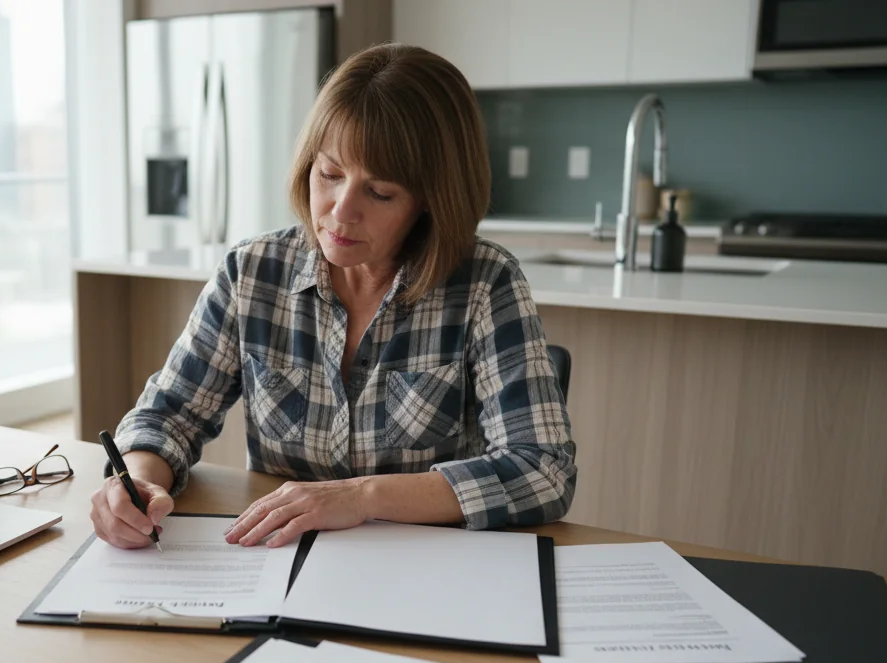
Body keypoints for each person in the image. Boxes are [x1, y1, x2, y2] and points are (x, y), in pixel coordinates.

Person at [90, 43, 576, 549]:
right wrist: (138, 481)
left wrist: (362, 497)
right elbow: (168, 415)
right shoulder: (252, 272)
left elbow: (543, 469)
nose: (341, 211)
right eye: (330, 174)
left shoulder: (485, 283)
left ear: (432, 200)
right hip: (278, 559)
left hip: (421, 563)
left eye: (379, 192)